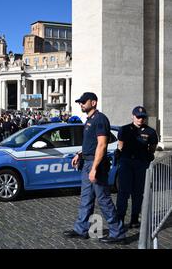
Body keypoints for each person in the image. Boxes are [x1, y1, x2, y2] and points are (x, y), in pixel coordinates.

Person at [63, 92, 126, 244]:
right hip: (87, 162)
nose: (81, 104)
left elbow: (102, 145)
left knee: (104, 199)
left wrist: (94, 168)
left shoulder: (100, 119)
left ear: (94, 102)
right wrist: (80, 154)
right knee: (86, 198)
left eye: (84, 101)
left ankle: (117, 233)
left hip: (95, 165)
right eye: (80, 102)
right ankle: (81, 229)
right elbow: (90, 144)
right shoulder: (90, 120)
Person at [116, 106, 158, 229]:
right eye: (138, 117)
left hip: (141, 164)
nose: (140, 119)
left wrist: (147, 156)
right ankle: (120, 219)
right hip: (126, 163)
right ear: (133, 116)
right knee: (123, 192)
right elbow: (120, 146)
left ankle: (134, 219)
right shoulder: (124, 129)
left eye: (143, 117)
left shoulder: (150, 132)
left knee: (138, 193)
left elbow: (152, 148)